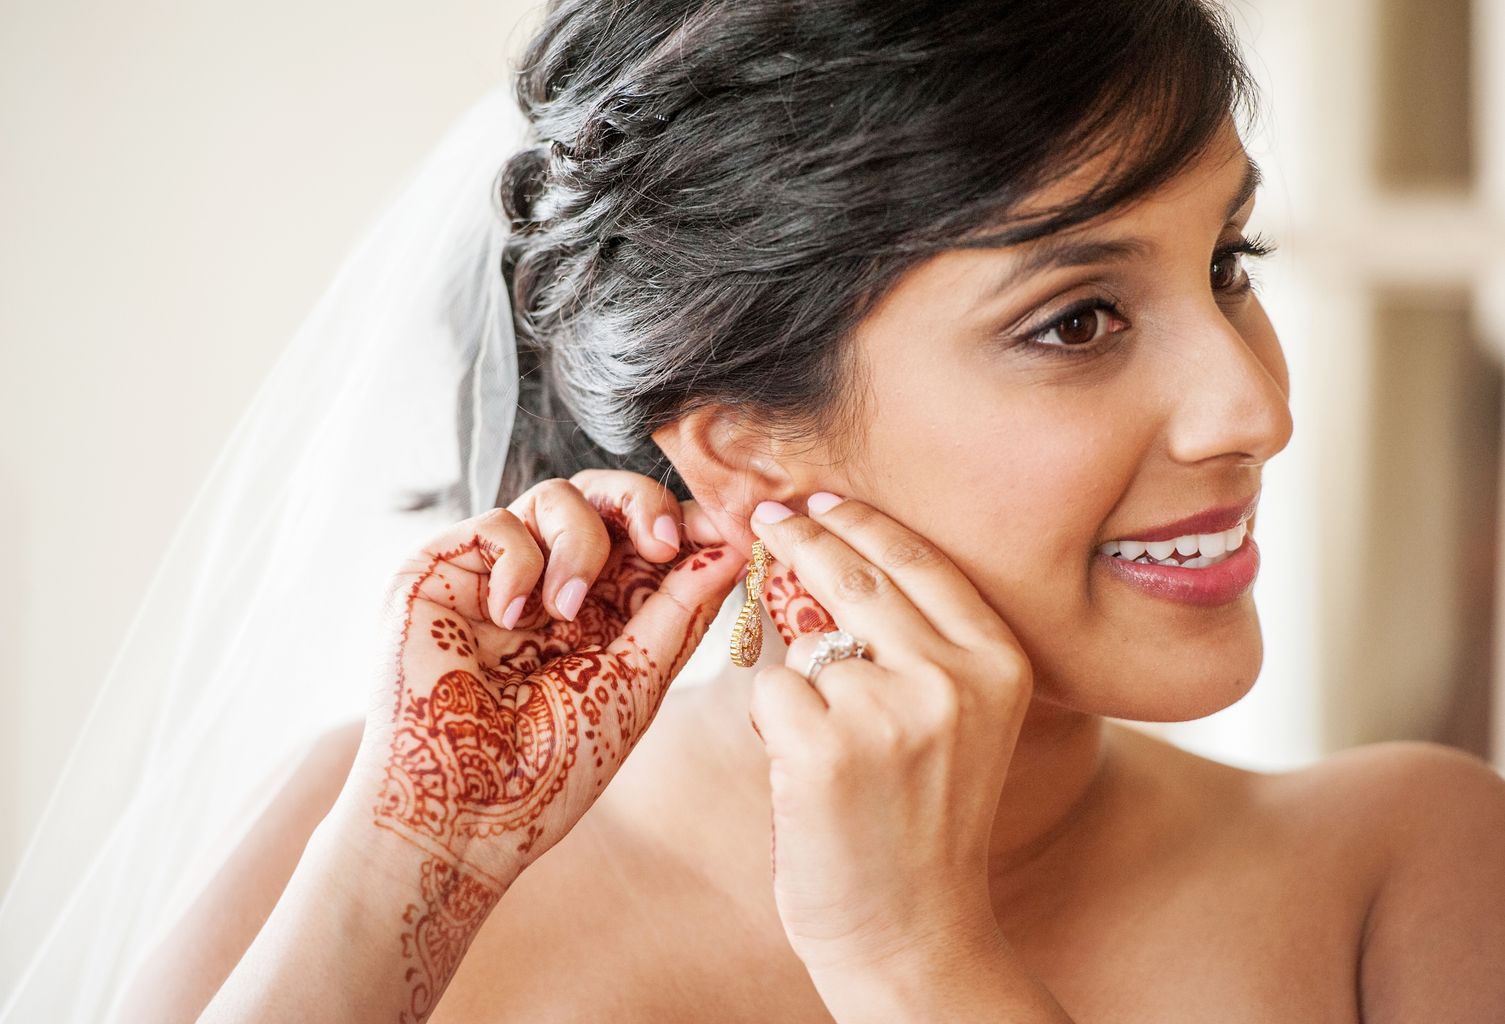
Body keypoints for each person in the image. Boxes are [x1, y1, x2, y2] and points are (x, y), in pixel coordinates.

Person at [47, 0, 1505, 1020]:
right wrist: (396, 891)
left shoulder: (1407, 880)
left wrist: (916, 959)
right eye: (1076, 320)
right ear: (742, 451)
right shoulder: (373, 842)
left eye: (1229, 263)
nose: (1255, 406)